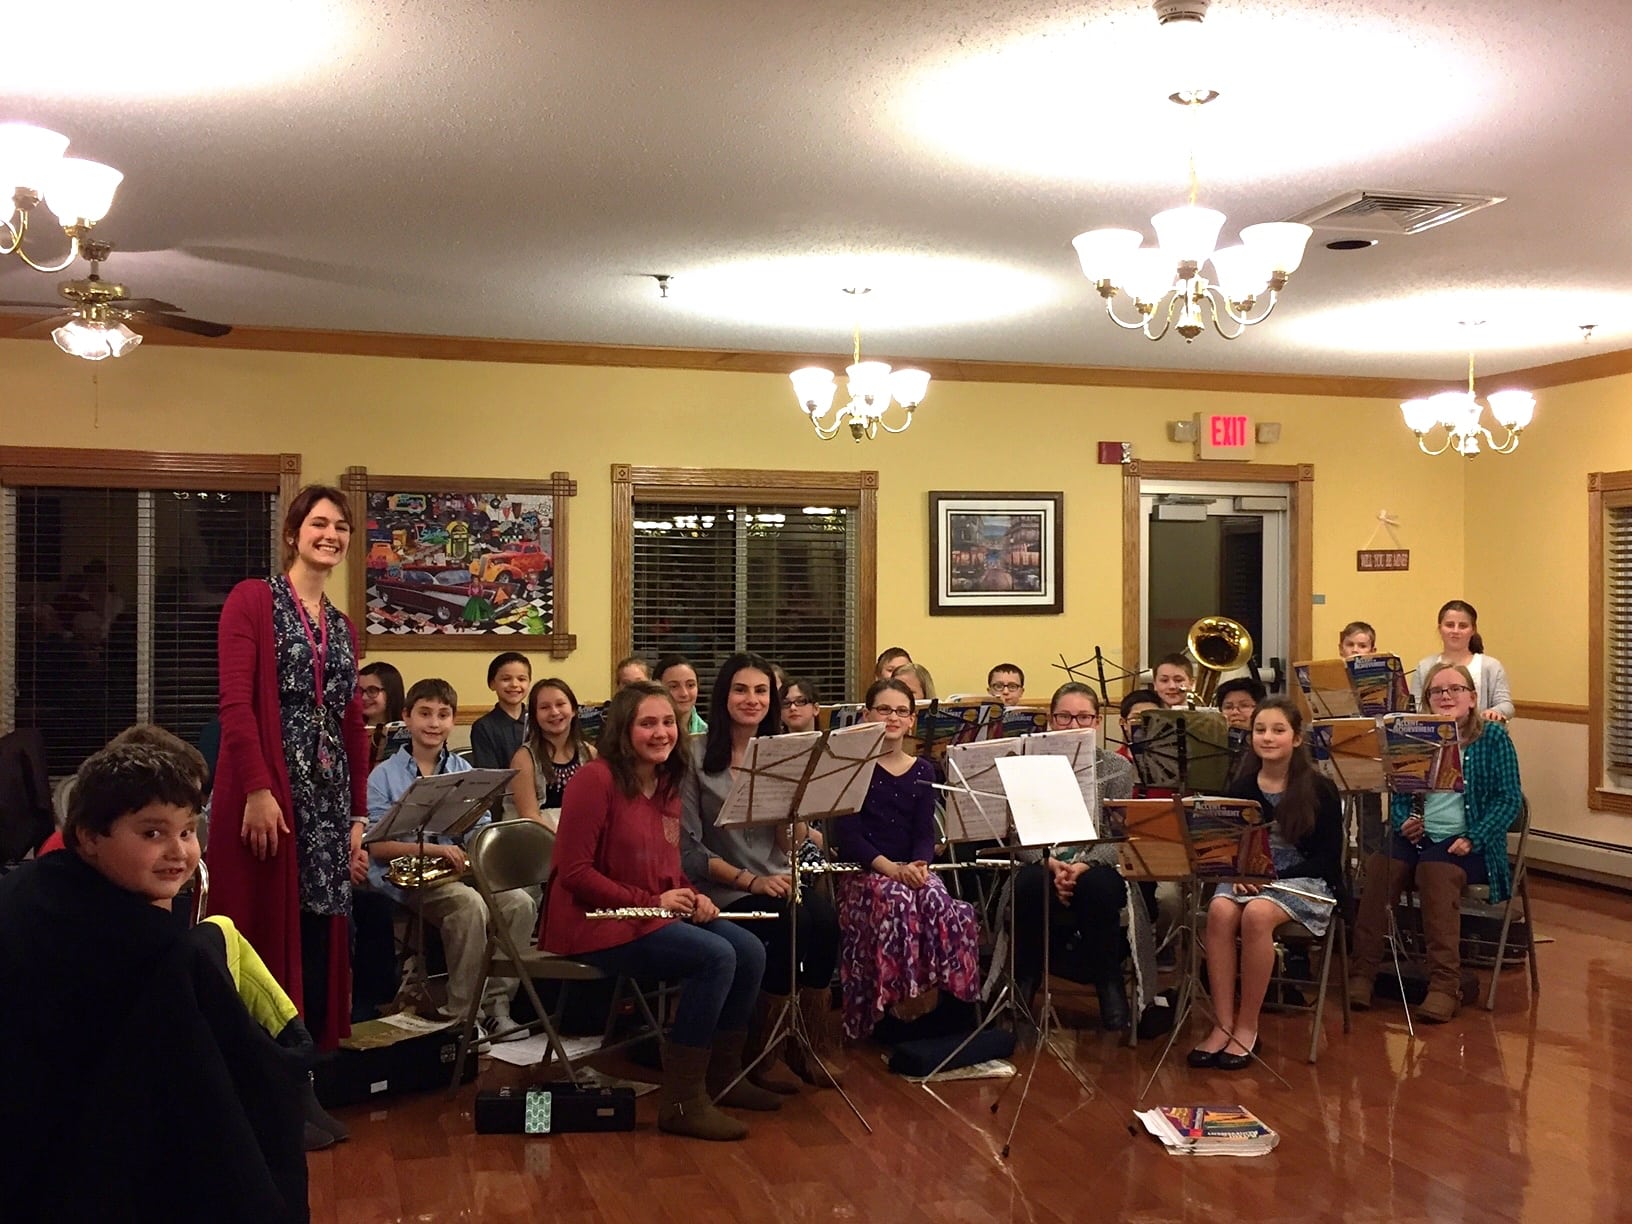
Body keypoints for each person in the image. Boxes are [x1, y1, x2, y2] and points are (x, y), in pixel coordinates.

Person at [0, 739, 310, 1222]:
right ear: (89, 837)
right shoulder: (159, 953)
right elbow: (215, 1112)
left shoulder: (24, 886)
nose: (179, 852)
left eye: (187, 831)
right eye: (152, 833)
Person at [541, 681, 774, 1141]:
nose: (662, 732)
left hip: (646, 914)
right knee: (715, 957)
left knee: (750, 951)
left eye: (668, 722)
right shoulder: (595, 780)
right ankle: (682, 1101)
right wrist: (652, 903)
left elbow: (667, 866)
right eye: (647, 723)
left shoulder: (667, 780)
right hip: (593, 922)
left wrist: (692, 894)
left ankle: (723, 1076)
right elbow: (574, 873)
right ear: (623, 731)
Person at [210, 483, 370, 1051]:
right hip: (271, 788)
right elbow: (235, 704)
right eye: (319, 524)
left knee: (319, 929)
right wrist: (257, 790)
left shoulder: (343, 625)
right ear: (291, 534)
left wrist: (358, 816)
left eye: (341, 527)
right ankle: (266, 1065)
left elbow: (353, 722)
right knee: (266, 927)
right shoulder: (252, 600)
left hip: (328, 798)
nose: (331, 535)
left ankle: (312, 1064)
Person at [681, 654, 844, 1091]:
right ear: (723, 696)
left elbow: (788, 846)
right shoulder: (694, 755)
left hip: (774, 877)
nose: (751, 699)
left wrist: (796, 810)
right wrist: (750, 880)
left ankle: (805, 1039)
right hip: (721, 884)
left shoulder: (782, 752)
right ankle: (761, 1049)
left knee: (826, 920)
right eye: (741, 690)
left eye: (761, 691)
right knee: (793, 921)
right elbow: (689, 850)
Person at [1349, 662, 1523, 1023]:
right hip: (1419, 837)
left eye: (1455, 689)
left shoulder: (1493, 738)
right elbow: (1401, 794)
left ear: (1472, 698)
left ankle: (1445, 985)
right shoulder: (1415, 736)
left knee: (1436, 871)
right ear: (1427, 700)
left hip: (1470, 842)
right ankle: (1362, 973)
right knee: (1381, 866)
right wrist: (1405, 820)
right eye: (1437, 691)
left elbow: (1509, 800)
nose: (1446, 696)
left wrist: (1473, 837)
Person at [364, 679, 536, 1040]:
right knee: (468, 905)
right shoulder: (383, 775)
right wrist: (437, 850)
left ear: (453, 720)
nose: (434, 723)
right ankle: (462, 1016)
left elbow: (480, 827)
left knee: (520, 903)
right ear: (406, 717)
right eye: (424, 713)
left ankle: (496, 1006)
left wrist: (480, 848)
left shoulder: (463, 770)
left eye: (443, 715)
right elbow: (378, 847)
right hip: (405, 879)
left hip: (455, 871)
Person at [1189, 697, 1342, 1071]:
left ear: (1296, 738)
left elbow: (1326, 860)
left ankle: (1247, 1026)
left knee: (1257, 915)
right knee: (1219, 910)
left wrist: (1268, 878)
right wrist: (1241, 874)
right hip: (1247, 876)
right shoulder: (1240, 786)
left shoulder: (1320, 789)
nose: (1268, 737)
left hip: (1302, 878)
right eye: (1260, 730)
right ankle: (1222, 1024)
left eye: (1278, 730)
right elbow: (1226, 848)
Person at [830, 678, 981, 1039]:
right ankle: (891, 1011)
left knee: (940, 900)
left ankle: (944, 1008)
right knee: (897, 900)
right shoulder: (852, 767)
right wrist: (893, 871)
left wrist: (919, 865)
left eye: (901, 711)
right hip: (865, 872)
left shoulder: (923, 770)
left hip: (909, 869)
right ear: (867, 715)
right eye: (884, 709)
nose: (893, 717)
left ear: (912, 719)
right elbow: (849, 838)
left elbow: (924, 833)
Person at [1011, 684, 1145, 1030]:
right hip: (1043, 859)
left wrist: (1084, 864)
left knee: (1098, 887)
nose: (1073, 725)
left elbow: (1118, 835)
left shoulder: (1117, 767)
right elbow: (1015, 832)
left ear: (1097, 721)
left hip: (1095, 861)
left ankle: (1109, 985)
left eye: (1083, 717)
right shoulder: (1027, 765)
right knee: (1030, 884)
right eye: (1064, 717)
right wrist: (1048, 861)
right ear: (1051, 720)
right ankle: (1025, 982)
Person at [508, 676, 596, 827]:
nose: (554, 712)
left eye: (560, 704)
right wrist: (564, 839)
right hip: (538, 836)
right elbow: (529, 817)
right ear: (534, 716)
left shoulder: (590, 753)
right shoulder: (523, 759)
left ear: (574, 709)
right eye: (544, 707)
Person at [1411, 600, 1514, 721]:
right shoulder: (1424, 666)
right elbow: (1416, 706)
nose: (1455, 631)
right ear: (1440, 628)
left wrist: (1495, 712)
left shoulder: (1491, 666)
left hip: (1479, 731)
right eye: (1449, 625)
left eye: (1463, 626)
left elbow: (1506, 705)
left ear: (1473, 630)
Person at [469, 651, 532, 771]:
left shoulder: (537, 720)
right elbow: (489, 774)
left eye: (521, 679)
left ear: (529, 683)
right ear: (492, 684)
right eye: (506, 679)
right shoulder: (483, 727)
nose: (514, 684)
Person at [359, 661, 409, 766]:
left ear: (391, 692)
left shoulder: (410, 729)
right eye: (359, 691)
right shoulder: (350, 729)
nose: (364, 697)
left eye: (372, 690)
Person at [656, 652, 707, 735]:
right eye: (674, 686)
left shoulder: (708, 735)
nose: (684, 694)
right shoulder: (648, 734)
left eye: (690, 685)